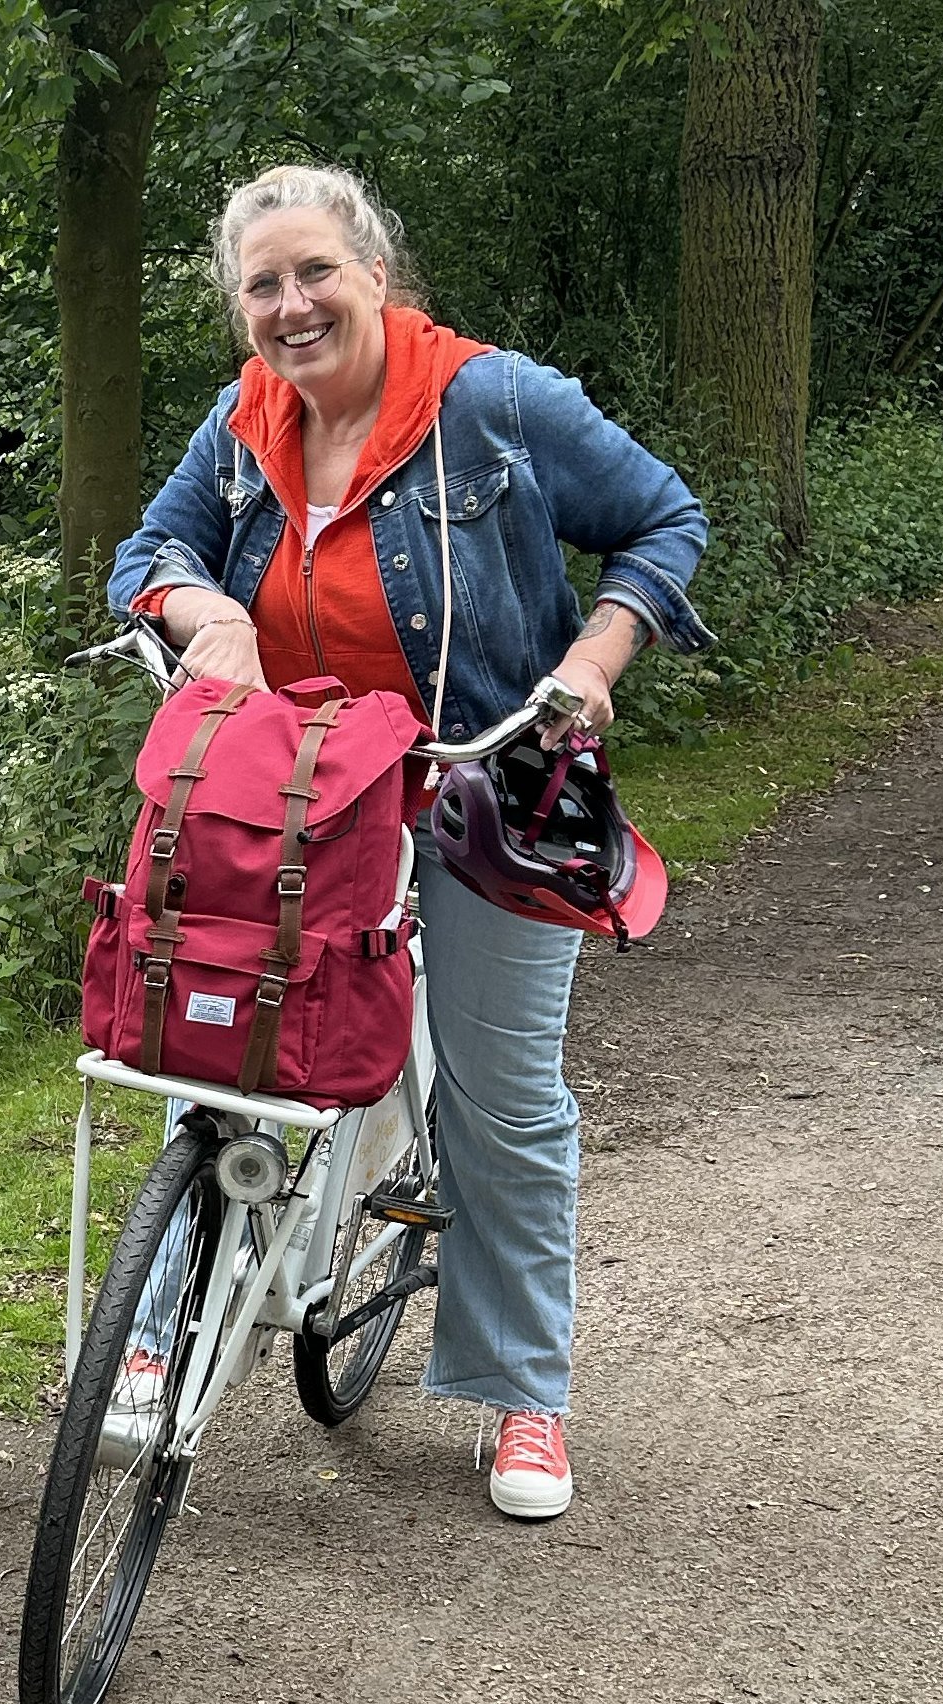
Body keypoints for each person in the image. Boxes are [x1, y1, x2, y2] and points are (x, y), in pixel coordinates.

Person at [109, 162, 710, 1521]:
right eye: (262, 285)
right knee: (218, 1043)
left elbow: (667, 519)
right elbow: (151, 543)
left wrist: (599, 657)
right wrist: (201, 608)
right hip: (302, 794)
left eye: (315, 271)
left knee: (500, 1100)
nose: (291, 303)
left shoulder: (490, 405)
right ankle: (158, 1323)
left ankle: (523, 1394)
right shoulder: (245, 419)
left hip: (482, 785)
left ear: (376, 275)